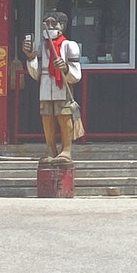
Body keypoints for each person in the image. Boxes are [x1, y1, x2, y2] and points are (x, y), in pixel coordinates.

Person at [22, 12, 82, 164]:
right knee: (47, 117)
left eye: (53, 23)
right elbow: (36, 74)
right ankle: (50, 148)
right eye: (46, 23)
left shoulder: (69, 46)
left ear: (62, 26)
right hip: (45, 87)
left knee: (64, 116)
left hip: (62, 87)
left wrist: (66, 68)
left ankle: (66, 149)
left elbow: (76, 75)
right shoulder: (41, 47)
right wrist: (30, 57)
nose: (49, 27)